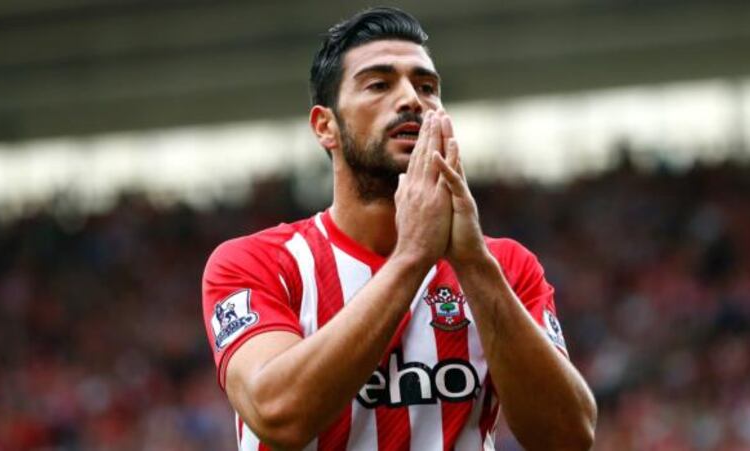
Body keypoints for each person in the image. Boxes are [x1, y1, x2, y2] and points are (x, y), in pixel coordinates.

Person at [201, 7, 597, 450]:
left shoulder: (502, 267)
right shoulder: (256, 262)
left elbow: (569, 438)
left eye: (427, 87)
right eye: (379, 84)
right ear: (325, 126)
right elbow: (277, 415)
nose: (411, 99)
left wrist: (473, 265)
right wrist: (412, 257)